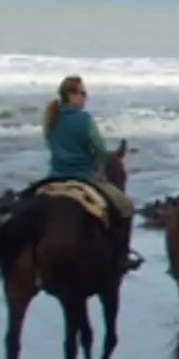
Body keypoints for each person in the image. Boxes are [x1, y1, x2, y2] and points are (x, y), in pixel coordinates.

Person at [42, 75, 140, 271]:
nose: (85, 98)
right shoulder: (84, 119)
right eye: (82, 93)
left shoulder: (51, 119)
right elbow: (100, 150)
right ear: (71, 95)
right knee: (126, 206)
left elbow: (50, 145)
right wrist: (100, 169)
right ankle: (122, 255)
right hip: (83, 176)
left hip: (54, 177)